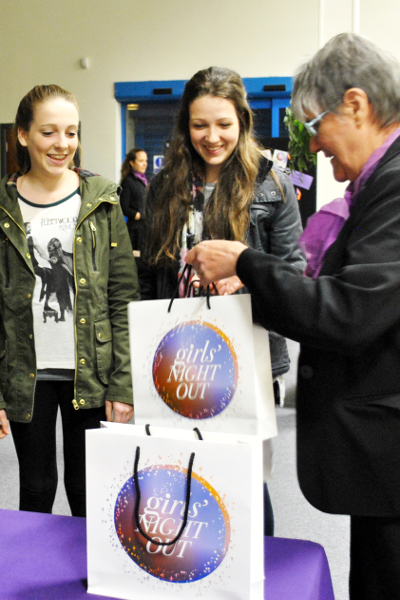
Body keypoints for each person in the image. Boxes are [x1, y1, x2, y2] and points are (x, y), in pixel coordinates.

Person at [186, 34, 400, 600]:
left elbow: (349, 311)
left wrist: (245, 264)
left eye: (314, 125)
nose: (314, 146)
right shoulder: (374, 184)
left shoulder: (391, 185)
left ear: (355, 105)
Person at [139, 66, 305, 535]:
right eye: (199, 125)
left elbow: (293, 271)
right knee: (184, 475)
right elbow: (152, 276)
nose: (212, 137)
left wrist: (248, 278)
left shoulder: (272, 182)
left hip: (245, 355)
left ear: (243, 122)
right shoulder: (164, 185)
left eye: (223, 124)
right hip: (175, 355)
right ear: (184, 126)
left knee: (247, 481)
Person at [0, 85, 140, 517]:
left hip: (92, 371)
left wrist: (123, 382)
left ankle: (87, 582)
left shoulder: (100, 199)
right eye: (49, 132)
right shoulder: (4, 204)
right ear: (23, 135)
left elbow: (122, 297)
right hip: (26, 372)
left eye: (71, 132)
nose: (62, 144)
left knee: (89, 491)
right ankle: (33, 583)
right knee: (37, 488)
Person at [120, 147, 148, 270]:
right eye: (141, 161)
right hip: (135, 231)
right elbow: (124, 207)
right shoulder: (128, 181)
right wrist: (139, 215)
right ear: (132, 163)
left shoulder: (144, 180)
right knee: (137, 264)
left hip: (146, 228)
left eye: (146, 161)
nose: (144, 164)